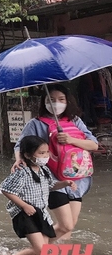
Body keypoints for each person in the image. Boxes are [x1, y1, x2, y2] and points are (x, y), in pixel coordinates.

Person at [11, 84, 98, 241]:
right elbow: (20, 145)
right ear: (44, 102)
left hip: (77, 178)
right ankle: (39, 250)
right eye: (51, 100)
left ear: (67, 101)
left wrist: (70, 139)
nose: (56, 103)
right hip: (52, 179)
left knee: (69, 226)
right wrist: (18, 159)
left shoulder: (75, 121)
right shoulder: (36, 124)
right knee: (66, 226)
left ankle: (52, 254)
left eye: (61, 99)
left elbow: (94, 145)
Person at [0, 135, 77, 255]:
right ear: (28, 155)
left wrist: (65, 183)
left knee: (43, 250)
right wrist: (24, 205)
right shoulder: (22, 172)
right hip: (25, 213)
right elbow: (5, 189)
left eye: (47, 152)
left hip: (41, 212)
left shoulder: (44, 170)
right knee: (41, 250)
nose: (45, 156)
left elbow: (50, 185)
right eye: (41, 153)